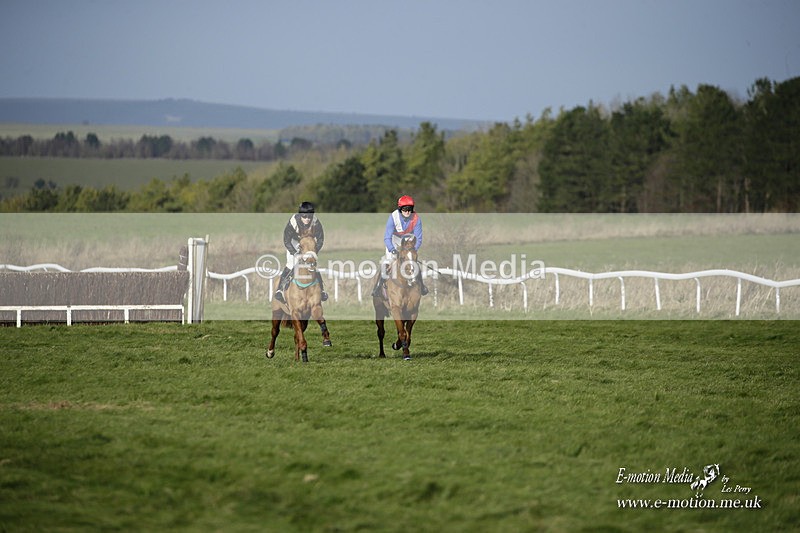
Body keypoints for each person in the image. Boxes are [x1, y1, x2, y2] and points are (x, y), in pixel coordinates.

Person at [372, 195, 429, 296]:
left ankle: (422, 286)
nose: (407, 211)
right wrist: (392, 249)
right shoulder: (393, 217)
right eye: (405, 209)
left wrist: (412, 251)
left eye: (410, 209)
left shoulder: (416, 219)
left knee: (413, 263)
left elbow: (419, 239)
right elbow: (387, 237)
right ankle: (377, 287)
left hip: (408, 242)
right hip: (394, 240)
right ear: (400, 209)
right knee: (387, 263)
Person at [274, 201, 328, 304]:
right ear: (300, 215)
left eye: (309, 217)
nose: (307, 219)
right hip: (294, 242)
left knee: (313, 265)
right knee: (290, 264)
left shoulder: (315, 222)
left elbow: (320, 239)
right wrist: (295, 253)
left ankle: (322, 291)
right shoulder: (293, 221)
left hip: (308, 244)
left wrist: (314, 250)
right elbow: (286, 240)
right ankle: (280, 290)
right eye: (305, 217)